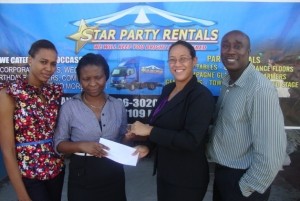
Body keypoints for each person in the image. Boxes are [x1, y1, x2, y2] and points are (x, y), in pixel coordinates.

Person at [129, 40, 215, 201]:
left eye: (183, 58)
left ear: (194, 61)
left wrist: (149, 131)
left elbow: (190, 140)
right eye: (172, 59)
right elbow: (157, 125)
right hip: (165, 175)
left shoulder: (201, 96)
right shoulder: (168, 89)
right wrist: (147, 146)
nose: (177, 64)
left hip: (187, 180)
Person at [207, 30, 287, 201]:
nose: (230, 51)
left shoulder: (260, 89)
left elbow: (272, 153)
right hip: (223, 175)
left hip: (244, 183)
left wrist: (246, 188)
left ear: (248, 52)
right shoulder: (227, 82)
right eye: (226, 46)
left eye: (238, 46)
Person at [54, 53, 128, 201]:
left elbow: (123, 142)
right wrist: (82, 146)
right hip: (82, 176)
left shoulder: (118, 106)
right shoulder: (70, 107)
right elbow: (59, 145)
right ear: (79, 80)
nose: (93, 83)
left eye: (98, 77)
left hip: (114, 174)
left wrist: (128, 138)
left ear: (106, 76)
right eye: (86, 79)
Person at [0, 39, 65, 201]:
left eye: (53, 64)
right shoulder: (10, 94)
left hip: (56, 170)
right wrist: (22, 195)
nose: (49, 68)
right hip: (29, 174)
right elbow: (7, 150)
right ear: (30, 60)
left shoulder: (53, 92)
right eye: (43, 62)